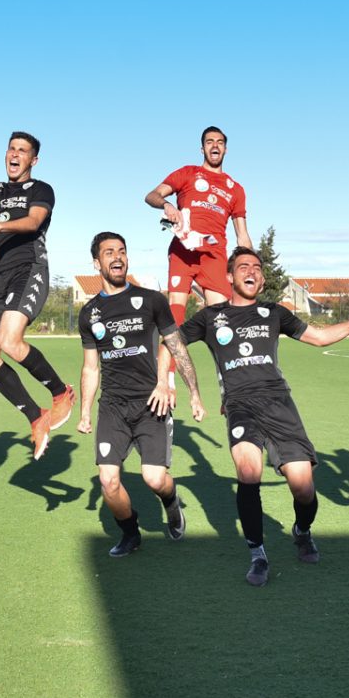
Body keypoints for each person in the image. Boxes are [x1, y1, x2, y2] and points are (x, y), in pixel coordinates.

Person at [180, 247, 349, 585]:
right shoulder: (210, 316)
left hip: (279, 405)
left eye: (258, 268)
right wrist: (182, 387)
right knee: (248, 471)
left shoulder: (274, 313)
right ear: (230, 276)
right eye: (244, 267)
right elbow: (172, 342)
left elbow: (320, 338)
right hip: (239, 405)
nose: (252, 272)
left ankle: (302, 529)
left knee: (303, 487)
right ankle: (258, 555)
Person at [0, 94, 73, 457]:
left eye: (22, 150)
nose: (14, 154)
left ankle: (59, 391)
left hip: (28, 269)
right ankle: (35, 416)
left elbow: (35, 221)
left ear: (33, 159)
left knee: (9, 340)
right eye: (10, 148)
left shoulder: (40, 189)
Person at [76, 231, 206, 557]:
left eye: (121, 251)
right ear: (97, 263)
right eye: (109, 253)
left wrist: (192, 393)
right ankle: (130, 533)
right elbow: (91, 367)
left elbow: (175, 347)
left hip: (151, 404)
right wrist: (85, 412)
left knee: (154, 479)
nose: (117, 258)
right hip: (113, 408)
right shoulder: (89, 313)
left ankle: (171, 502)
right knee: (108, 481)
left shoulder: (151, 300)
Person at [144, 126, 250, 321]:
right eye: (209, 142)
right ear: (202, 149)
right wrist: (167, 205)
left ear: (225, 149)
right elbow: (152, 196)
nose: (215, 145)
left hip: (214, 255)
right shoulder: (188, 173)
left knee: (222, 322)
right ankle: (168, 352)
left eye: (219, 142)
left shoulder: (236, 189)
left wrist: (251, 265)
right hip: (183, 252)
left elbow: (242, 235)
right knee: (175, 319)